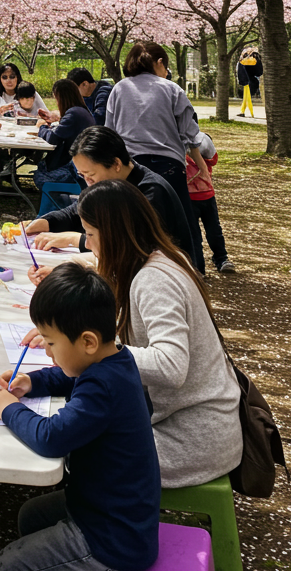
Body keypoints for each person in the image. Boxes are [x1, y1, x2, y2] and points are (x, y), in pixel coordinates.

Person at [0, 264, 160, 571]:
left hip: (112, 538)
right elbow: (69, 375)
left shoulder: (102, 387)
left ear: (87, 341)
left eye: (51, 342)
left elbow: (51, 438)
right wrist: (33, 382)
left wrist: (8, 409)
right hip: (113, 510)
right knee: (32, 515)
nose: (47, 351)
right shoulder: (115, 360)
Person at [76, 181, 243, 487]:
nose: (87, 245)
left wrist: (98, 349)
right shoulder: (160, 258)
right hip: (196, 426)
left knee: (76, 448)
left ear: (113, 234)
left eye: (90, 234)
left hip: (193, 440)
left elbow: (169, 366)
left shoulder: (153, 280)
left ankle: (97, 529)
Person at [23, 126, 196, 261]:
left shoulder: (150, 192)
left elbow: (132, 246)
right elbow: (78, 211)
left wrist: (76, 239)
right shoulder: (108, 183)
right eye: (82, 176)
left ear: (116, 164)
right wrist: (45, 222)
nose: (88, 183)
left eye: (90, 176)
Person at [105, 41, 206, 269]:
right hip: (168, 167)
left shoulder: (119, 88)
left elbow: (109, 132)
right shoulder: (171, 89)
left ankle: (133, 271)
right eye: (166, 66)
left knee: (132, 224)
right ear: (159, 62)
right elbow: (190, 133)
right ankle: (193, 272)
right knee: (181, 226)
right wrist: (200, 165)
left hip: (130, 167)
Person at [33, 79, 96, 209]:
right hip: (80, 165)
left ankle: (57, 205)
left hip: (74, 171)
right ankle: (56, 204)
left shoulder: (73, 114)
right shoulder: (81, 111)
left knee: (40, 175)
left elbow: (52, 138)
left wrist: (42, 127)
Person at [186, 132, 236, 275]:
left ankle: (214, 261)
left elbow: (212, 157)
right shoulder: (197, 142)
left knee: (207, 232)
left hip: (201, 197)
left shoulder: (193, 142)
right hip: (197, 197)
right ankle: (208, 263)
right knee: (203, 232)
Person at [237, 50, 262, 117]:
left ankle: (250, 113)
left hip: (247, 82)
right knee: (246, 98)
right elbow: (258, 72)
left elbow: (241, 73)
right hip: (251, 81)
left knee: (247, 98)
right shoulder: (253, 61)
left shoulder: (245, 62)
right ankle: (243, 111)